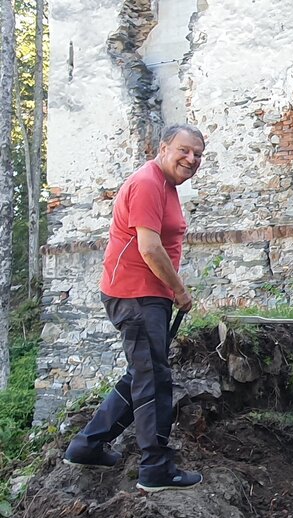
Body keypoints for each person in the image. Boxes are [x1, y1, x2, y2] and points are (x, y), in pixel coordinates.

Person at [63, 124, 205, 493]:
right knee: (154, 379)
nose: (192, 159)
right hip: (136, 294)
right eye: (185, 150)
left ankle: (87, 445)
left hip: (144, 295)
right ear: (163, 147)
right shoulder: (147, 182)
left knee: (142, 373)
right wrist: (179, 290)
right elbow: (149, 248)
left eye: (198, 154)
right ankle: (155, 468)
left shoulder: (165, 185)